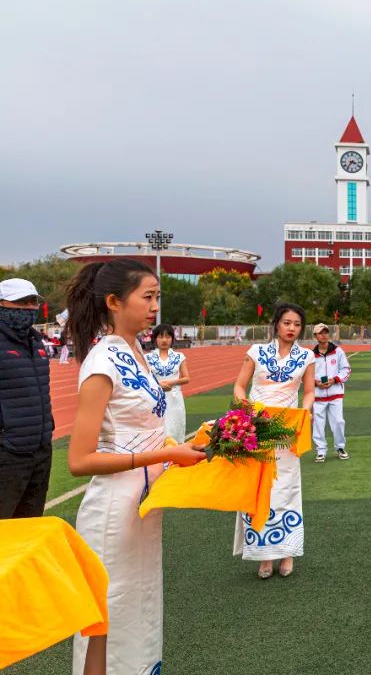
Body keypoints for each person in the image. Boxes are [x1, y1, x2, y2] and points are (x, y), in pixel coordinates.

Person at [65, 259, 206, 674]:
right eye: (147, 297)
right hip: (113, 510)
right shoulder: (102, 362)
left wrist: (188, 446)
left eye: (157, 297)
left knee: (137, 611)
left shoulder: (135, 352)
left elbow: (145, 430)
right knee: (106, 619)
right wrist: (166, 455)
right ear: (113, 301)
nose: (154, 308)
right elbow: (79, 460)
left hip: (142, 504)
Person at [232, 303, 315, 579]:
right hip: (256, 430)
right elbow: (239, 387)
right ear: (276, 324)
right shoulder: (255, 352)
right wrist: (249, 414)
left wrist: (305, 413)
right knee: (259, 490)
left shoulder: (306, 357)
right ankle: (264, 556)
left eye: (297, 324)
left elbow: (309, 392)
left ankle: (288, 552)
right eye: (287, 322)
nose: (292, 328)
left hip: (286, 433)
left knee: (287, 490)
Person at [0, 278, 54, 519]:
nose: (29, 308)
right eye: (21, 302)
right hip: (8, 453)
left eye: (32, 302)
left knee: (30, 526)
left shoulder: (36, 341)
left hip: (41, 450)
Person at [310, 322, 351, 463]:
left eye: (326, 332)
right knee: (318, 424)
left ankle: (340, 447)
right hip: (318, 395)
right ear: (315, 336)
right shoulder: (311, 355)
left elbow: (346, 369)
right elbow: (305, 375)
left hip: (335, 394)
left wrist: (334, 380)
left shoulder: (338, 351)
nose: (324, 335)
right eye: (320, 333)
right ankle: (321, 450)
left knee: (339, 422)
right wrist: (315, 382)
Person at [146, 323, 190, 443]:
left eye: (168, 337)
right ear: (155, 339)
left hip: (175, 400)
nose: (164, 340)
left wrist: (172, 382)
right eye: (160, 337)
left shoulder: (179, 357)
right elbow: (144, 379)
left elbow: (186, 378)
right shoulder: (147, 358)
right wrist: (158, 385)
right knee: (156, 432)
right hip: (155, 399)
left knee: (175, 429)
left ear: (172, 338)